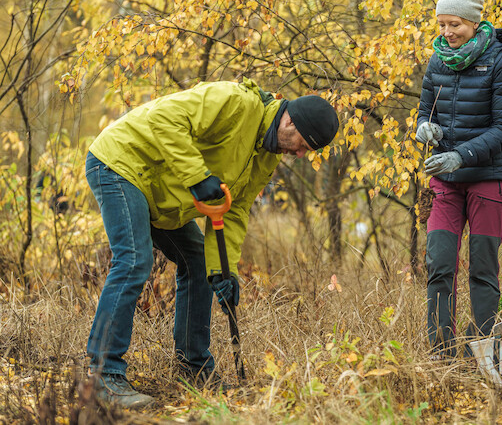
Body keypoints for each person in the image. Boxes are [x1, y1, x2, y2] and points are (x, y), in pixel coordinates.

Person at [84, 77, 339, 408]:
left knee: (202, 263)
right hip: (122, 163)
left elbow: (234, 212)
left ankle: (194, 371)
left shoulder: (266, 157)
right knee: (134, 260)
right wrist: (198, 177)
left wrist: (225, 272)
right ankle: (103, 376)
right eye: (303, 144)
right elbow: (164, 118)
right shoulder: (235, 101)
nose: (301, 154)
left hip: (158, 194)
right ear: (289, 121)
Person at [415, 0, 502, 359]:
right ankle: (442, 352)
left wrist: (462, 155)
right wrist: (424, 129)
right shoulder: (437, 61)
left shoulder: (500, 62)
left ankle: (483, 351)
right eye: (442, 24)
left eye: (454, 24)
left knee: (481, 265)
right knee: (440, 261)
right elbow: (425, 110)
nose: (447, 32)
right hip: (446, 179)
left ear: (474, 23)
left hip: (489, 177)